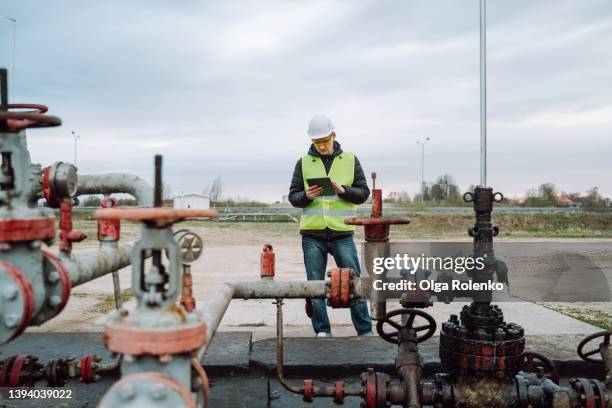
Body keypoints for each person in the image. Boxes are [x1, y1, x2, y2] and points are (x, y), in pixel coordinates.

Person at [288, 113, 372, 336]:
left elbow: (363, 193)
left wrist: (343, 190)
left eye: (325, 141)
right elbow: (293, 197)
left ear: (334, 135)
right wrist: (306, 195)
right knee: (315, 285)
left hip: (342, 232)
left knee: (354, 283)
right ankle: (322, 332)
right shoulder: (303, 163)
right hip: (312, 234)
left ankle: (364, 331)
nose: (322, 146)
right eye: (317, 142)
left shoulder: (351, 160)